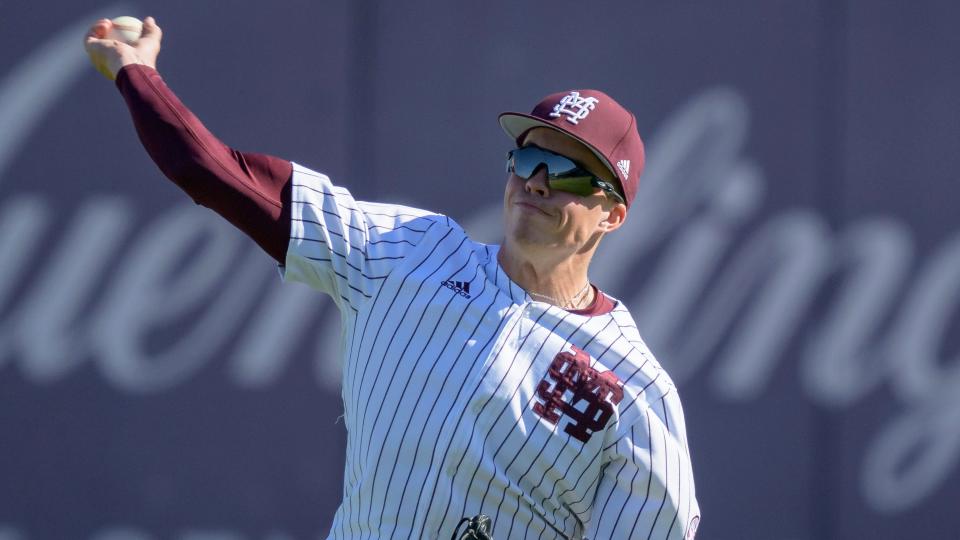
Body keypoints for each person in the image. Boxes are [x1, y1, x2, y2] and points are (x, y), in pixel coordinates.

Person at [84, 16, 701, 540]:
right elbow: (216, 173)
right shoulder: (406, 254)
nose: (537, 181)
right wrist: (137, 76)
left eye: (567, 172)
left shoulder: (638, 395)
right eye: (530, 157)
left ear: (613, 214)